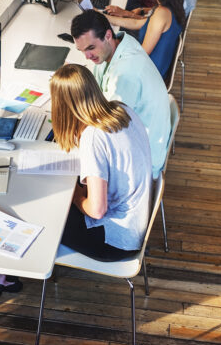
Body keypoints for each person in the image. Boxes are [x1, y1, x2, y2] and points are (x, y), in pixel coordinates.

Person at [51, 63, 153, 261]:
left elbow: (97, 210)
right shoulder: (121, 110)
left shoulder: (93, 137)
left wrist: (76, 197)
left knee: (49, 210)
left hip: (115, 241)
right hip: (136, 222)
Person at [70, 10, 171, 179]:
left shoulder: (125, 75)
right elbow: (97, 86)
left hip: (142, 161)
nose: (87, 56)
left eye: (90, 48)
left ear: (108, 35)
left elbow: (108, 128)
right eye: (82, 51)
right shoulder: (119, 45)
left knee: (74, 166)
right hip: (135, 136)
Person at [105, 0, 186, 77]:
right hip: (156, 67)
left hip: (149, 73)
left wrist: (117, 55)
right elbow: (136, 23)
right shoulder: (171, 6)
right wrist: (105, 17)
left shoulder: (161, 13)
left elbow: (143, 53)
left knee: (104, 59)